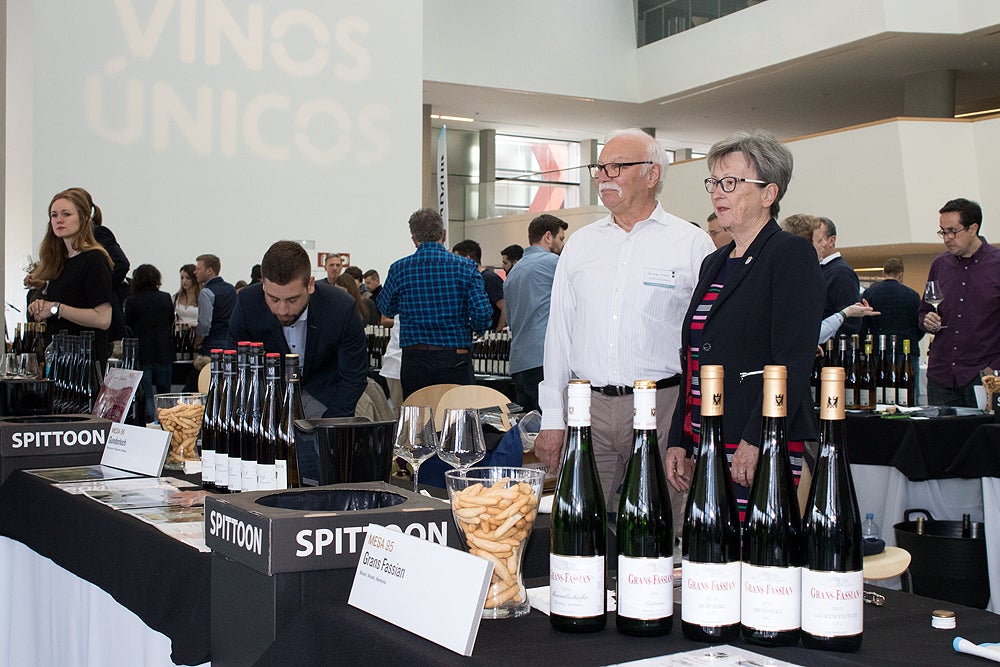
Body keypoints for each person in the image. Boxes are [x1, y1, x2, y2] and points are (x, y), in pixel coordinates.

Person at [534, 128, 715, 512]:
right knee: (581, 524)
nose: (603, 176)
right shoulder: (581, 244)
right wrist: (552, 417)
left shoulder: (691, 244)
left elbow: (707, 341)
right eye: (599, 168)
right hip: (587, 409)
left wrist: (693, 427)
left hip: (662, 407)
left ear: (652, 175)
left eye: (617, 166)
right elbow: (559, 335)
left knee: (664, 527)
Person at [663, 129, 824, 520]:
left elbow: (793, 360)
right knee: (713, 554)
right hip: (707, 437)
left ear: (769, 194)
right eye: (714, 182)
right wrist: (679, 439)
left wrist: (759, 437)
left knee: (756, 562)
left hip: (758, 438)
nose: (718, 192)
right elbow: (694, 358)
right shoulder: (714, 262)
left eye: (731, 183)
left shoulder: (789, 254)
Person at [226, 240, 369, 418]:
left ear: (310, 285)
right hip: (267, 401)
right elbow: (237, 366)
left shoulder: (341, 307)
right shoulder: (247, 303)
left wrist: (331, 426)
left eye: (292, 300)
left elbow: (354, 375)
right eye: (273, 299)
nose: (282, 310)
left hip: (324, 398)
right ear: (263, 285)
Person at [377, 208, 492, 398]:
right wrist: (477, 329)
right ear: (444, 235)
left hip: (414, 359)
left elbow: (385, 308)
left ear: (414, 238)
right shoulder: (466, 266)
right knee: (456, 418)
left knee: (420, 420)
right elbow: (482, 313)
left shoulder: (399, 269)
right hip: (455, 356)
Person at [918, 198, 1000, 407]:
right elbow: (924, 311)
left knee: (981, 438)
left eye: (952, 231)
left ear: (973, 228)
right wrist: (926, 320)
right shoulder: (939, 264)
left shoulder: (996, 265)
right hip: (941, 376)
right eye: (942, 231)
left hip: (982, 376)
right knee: (939, 439)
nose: (947, 238)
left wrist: (993, 368)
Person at [26, 189, 115, 364]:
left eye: (66, 214)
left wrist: (56, 309)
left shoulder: (94, 259)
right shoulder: (60, 261)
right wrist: (42, 306)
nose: (59, 219)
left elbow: (103, 319)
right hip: (61, 360)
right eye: (54, 215)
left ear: (83, 218)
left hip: (85, 364)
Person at [503, 214, 567, 413]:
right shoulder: (553, 263)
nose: (562, 244)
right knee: (553, 425)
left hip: (519, 362)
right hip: (544, 359)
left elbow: (510, 319)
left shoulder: (513, 272)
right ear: (548, 236)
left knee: (527, 430)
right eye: (561, 238)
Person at [781, 214, 878, 345]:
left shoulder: (839, 273)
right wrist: (847, 313)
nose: (824, 244)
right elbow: (805, 333)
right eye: (819, 240)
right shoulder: (794, 279)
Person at [860, 257, 924, 397]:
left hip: (878, 349)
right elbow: (920, 325)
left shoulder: (870, 293)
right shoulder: (912, 295)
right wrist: (913, 339)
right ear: (901, 274)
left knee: (879, 392)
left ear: (884, 273)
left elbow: (863, 325)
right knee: (908, 392)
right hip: (906, 348)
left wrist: (865, 349)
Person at [124, 264, 174, 416]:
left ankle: (152, 423)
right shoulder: (165, 298)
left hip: (143, 352)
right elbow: (170, 320)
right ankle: (168, 421)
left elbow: (128, 325)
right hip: (164, 350)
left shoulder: (132, 300)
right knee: (165, 394)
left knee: (148, 396)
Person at [814, 216, 861, 338]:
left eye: (819, 240)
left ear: (831, 241)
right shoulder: (816, 269)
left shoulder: (841, 273)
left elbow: (850, 321)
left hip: (829, 350)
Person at [453, 239, 506, 330]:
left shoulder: (490, 279)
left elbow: (505, 307)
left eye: (456, 259)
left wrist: (498, 331)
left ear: (467, 259)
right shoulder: (470, 279)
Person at [193, 253, 236, 360]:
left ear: (209, 270)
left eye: (199, 269)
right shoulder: (231, 289)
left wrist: (197, 342)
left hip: (212, 343)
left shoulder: (206, 292)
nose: (195, 272)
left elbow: (205, 323)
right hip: (229, 342)